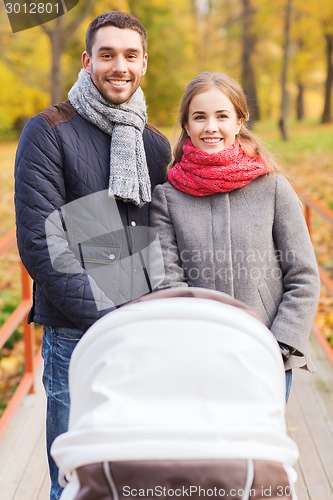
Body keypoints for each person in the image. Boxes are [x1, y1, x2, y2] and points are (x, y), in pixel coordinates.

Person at [14, 11, 171, 500]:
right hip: (76, 336)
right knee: (76, 479)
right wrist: (106, 316)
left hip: (144, 331)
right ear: (87, 61)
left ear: (144, 64)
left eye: (129, 55)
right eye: (107, 55)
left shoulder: (153, 143)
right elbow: (43, 243)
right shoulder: (49, 131)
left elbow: (164, 235)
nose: (118, 66)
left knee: (141, 473)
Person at [150, 72, 320, 402]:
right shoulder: (167, 199)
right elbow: (167, 282)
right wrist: (202, 347)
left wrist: (277, 346)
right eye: (199, 117)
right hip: (198, 361)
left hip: (267, 358)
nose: (210, 127)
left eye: (222, 116)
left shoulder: (272, 188)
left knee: (260, 451)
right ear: (186, 124)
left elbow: (303, 277)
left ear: (239, 120)